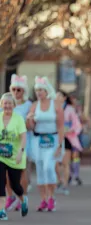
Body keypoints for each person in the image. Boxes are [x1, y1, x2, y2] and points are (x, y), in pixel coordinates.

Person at [26, 76, 64, 212]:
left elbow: (60, 126)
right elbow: (30, 127)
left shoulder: (56, 105)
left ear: (47, 91)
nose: (39, 93)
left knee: (49, 166)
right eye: (37, 90)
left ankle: (51, 197)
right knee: (41, 169)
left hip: (52, 140)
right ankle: (43, 199)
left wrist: (60, 145)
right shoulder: (34, 106)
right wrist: (29, 120)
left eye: (41, 90)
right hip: (38, 140)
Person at [4, 74, 32, 212]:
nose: (16, 92)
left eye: (19, 90)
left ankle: (23, 196)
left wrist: (30, 121)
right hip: (6, 145)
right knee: (5, 173)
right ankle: (9, 197)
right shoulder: (5, 104)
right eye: (14, 89)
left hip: (23, 141)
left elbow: (30, 125)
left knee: (21, 172)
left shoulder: (28, 105)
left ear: (24, 91)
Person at [0, 93, 29, 220]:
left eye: (9, 103)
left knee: (15, 185)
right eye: (5, 103)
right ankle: (2, 210)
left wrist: (20, 152)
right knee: (0, 183)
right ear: (1, 105)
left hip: (15, 157)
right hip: (1, 156)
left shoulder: (18, 119)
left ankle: (23, 199)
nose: (7, 106)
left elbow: (23, 137)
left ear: (14, 105)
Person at [56, 91, 83, 195]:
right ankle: (59, 180)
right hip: (55, 137)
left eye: (60, 96)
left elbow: (76, 123)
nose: (57, 98)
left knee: (65, 162)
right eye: (56, 96)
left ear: (64, 98)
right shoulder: (52, 109)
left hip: (67, 138)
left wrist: (71, 130)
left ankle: (65, 184)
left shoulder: (70, 109)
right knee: (55, 163)